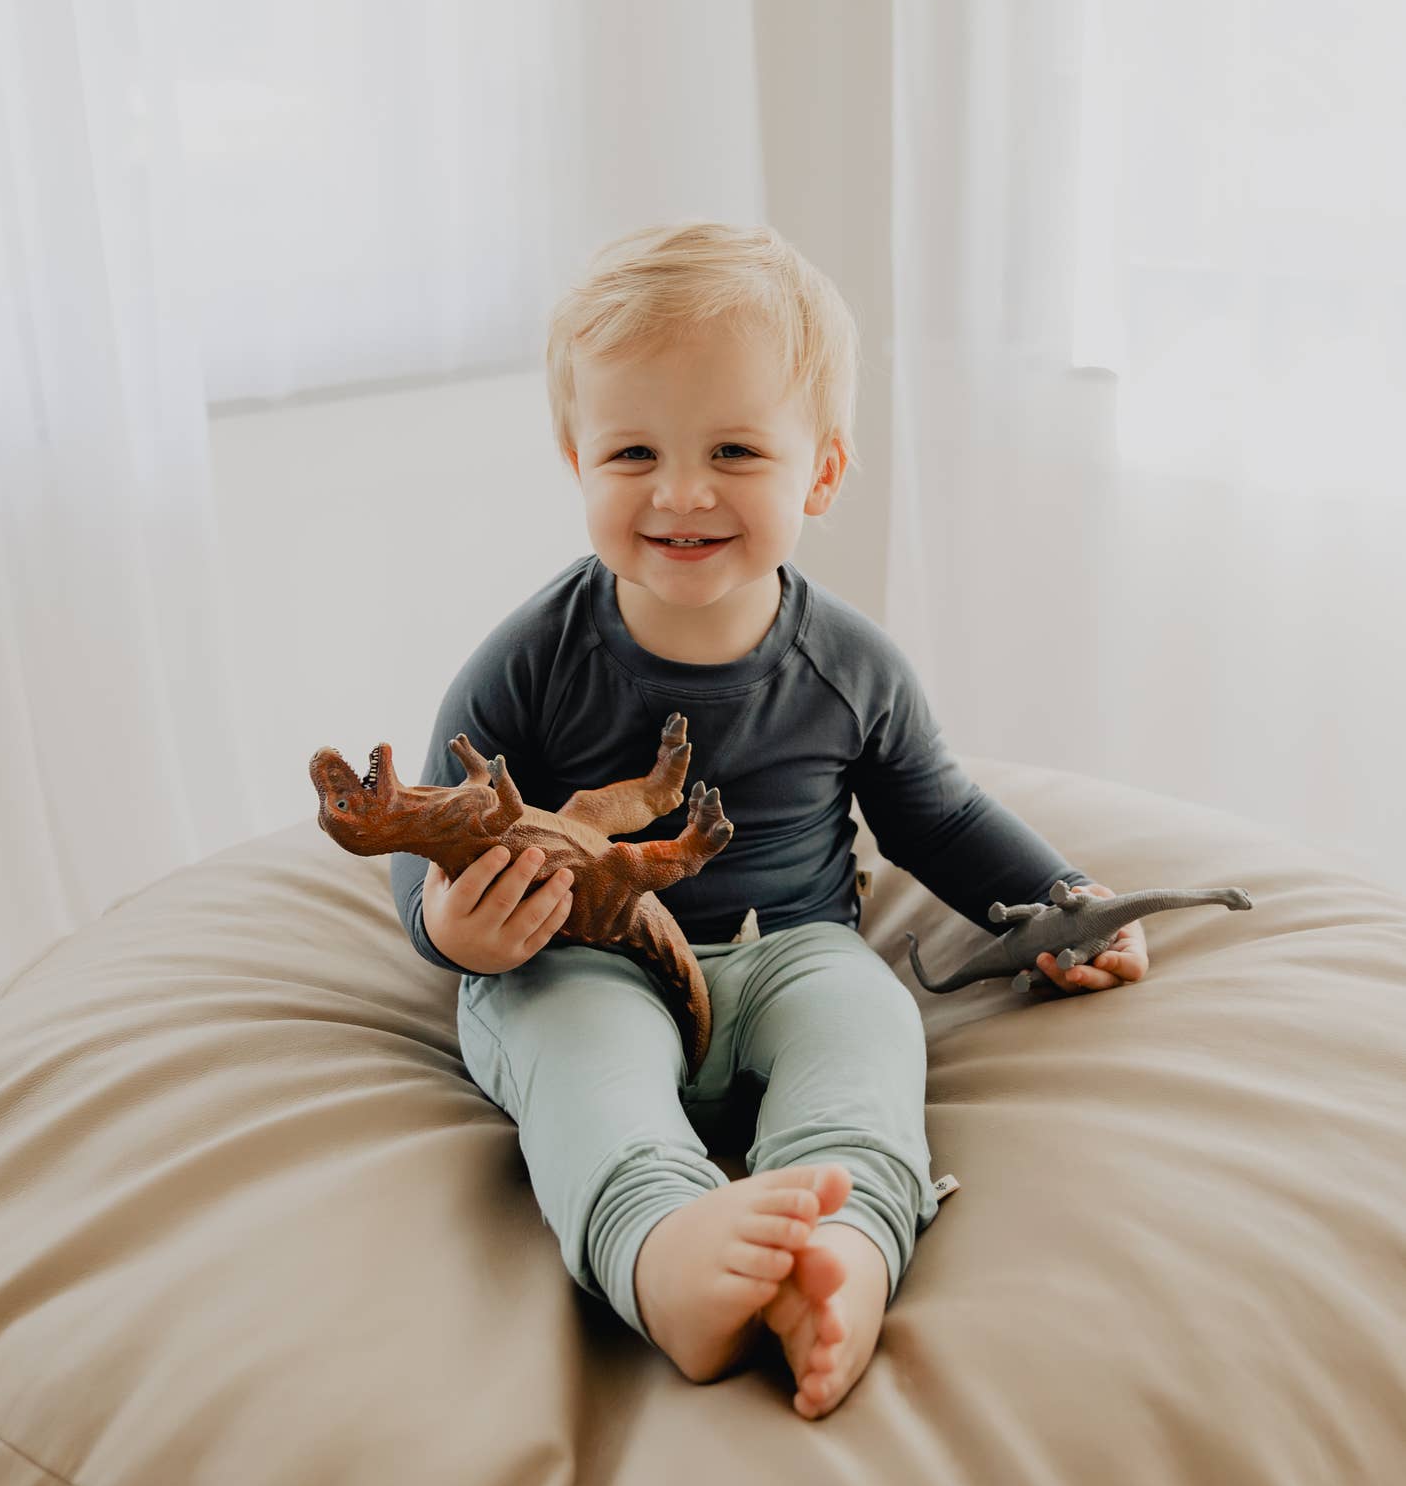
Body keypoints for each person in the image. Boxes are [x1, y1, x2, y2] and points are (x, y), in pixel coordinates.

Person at [390, 221, 1149, 1420]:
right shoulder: (527, 662)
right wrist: (456, 933)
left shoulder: (850, 664)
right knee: (578, 1062)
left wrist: (1057, 902)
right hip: (582, 960)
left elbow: (934, 814)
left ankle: (837, 1248)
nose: (680, 490)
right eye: (632, 449)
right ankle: (660, 1247)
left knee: (867, 1033)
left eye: (734, 450)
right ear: (574, 456)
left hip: (789, 946)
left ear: (822, 473)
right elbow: (431, 831)